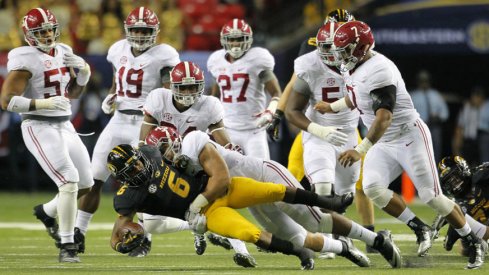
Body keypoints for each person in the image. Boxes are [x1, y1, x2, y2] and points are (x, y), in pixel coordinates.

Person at [314, 20, 485, 269]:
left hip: (408, 136)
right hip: (384, 141)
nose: (339, 55)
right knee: (372, 187)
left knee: (431, 196)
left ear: (360, 47)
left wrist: (359, 150)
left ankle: (473, 240)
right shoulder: (353, 66)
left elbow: (384, 117)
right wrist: (332, 106)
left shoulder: (379, 69)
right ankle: (420, 228)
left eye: (345, 49)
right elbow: (354, 96)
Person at [147, 126, 403, 268]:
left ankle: (375, 240)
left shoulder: (194, 140)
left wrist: (199, 203)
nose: (165, 157)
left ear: (175, 141)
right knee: (298, 238)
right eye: (159, 155)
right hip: (248, 196)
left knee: (316, 221)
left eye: (164, 149)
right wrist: (198, 225)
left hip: (265, 176)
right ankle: (343, 247)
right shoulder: (172, 174)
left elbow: (222, 179)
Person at [107, 144, 372, 270]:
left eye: (138, 162)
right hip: (207, 212)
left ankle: (329, 202)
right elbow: (117, 231)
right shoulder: (128, 197)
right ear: (123, 176)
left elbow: (174, 156)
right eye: (132, 169)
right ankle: (298, 252)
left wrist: (180, 160)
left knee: (274, 190)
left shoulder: (152, 153)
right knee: (250, 234)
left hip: (217, 188)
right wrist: (120, 244)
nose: (139, 168)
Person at [268, 9, 377, 254]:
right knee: (302, 178)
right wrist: (278, 113)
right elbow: (295, 87)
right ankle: (290, 231)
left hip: (348, 128)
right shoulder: (312, 58)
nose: (336, 46)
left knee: (354, 185)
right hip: (315, 128)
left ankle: (361, 231)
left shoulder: (365, 58)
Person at [76, 6, 180, 257]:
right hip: (118, 120)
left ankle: (142, 236)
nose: (141, 34)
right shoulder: (117, 50)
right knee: (93, 178)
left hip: (145, 123)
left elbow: (169, 93)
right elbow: (116, 81)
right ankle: (77, 234)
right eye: (136, 30)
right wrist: (111, 96)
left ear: (155, 31)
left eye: (146, 30)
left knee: (143, 184)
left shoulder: (164, 55)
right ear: (127, 30)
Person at [139, 60, 254, 266]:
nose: (189, 91)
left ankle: (242, 250)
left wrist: (229, 147)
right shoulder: (158, 98)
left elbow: (220, 134)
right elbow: (143, 141)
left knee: (217, 202)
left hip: (195, 163)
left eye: (193, 86)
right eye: (184, 87)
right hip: (165, 163)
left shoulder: (209, 104)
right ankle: (196, 227)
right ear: (172, 86)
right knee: (151, 224)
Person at [0, 8, 93, 263]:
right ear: (29, 35)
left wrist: (84, 76)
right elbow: (7, 101)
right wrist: (43, 105)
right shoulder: (24, 57)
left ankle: (46, 212)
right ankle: (67, 244)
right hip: (38, 125)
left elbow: (71, 94)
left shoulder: (63, 51)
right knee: (70, 181)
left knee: (86, 183)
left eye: (50, 30)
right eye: (40, 32)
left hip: (65, 125)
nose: (47, 35)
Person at [207, 18, 282, 159]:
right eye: (231, 39)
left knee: (260, 172)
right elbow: (215, 97)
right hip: (227, 129)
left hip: (255, 130)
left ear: (248, 39)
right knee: (228, 174)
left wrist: (270, 112)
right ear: (224, 40)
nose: (235, 43)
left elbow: (277, 92)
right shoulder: (216, 61)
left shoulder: (257, 58)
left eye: (240, 38)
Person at [431, 156, 489, 257]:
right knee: (467, 248)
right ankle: (457, 218)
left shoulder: (482, 176)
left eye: (455, 178)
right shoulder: (461, 201)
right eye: (449, 182)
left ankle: (455, 214)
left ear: (463, 169)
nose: (454, 184)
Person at [410, 70, 449, 163]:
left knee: (435, 152)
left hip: (434, 127)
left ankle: (435, 174)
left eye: (426, 81)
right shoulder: (413, 96)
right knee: (419, 153)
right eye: (422, 81)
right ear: (418, 82)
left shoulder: (435, 95)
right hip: (419, 129)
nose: (424, 83)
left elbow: (445, 113)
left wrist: (438, 117)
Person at [452, 86, 486, 166]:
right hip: (468, 141)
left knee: (481, 165)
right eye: (475, 96)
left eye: (479, 97)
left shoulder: (485, 109)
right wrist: (457, 140)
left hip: (481, 141)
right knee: (467, 164)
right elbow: (460, 125)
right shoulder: (466, 108)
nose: (477, 99)